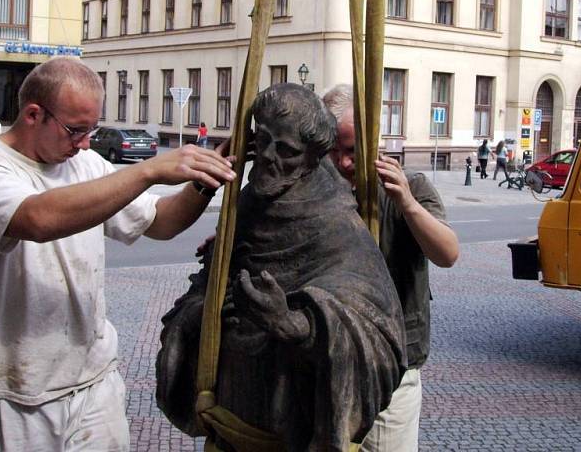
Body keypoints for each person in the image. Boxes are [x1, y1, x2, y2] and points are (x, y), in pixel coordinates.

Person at [0, 57, 236, 451]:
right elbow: (37, 218)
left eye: (91, 130)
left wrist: (209, 177)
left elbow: (162, 222)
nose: (85, 143)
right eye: (75, 130)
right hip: (15, 395)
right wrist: (147, 171)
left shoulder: (86, 165)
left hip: (95, 384)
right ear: (34, 114)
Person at [157, 83, 407, 451]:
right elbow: (208, 283)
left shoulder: (335, 221)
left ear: (311, 158)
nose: (270, 157)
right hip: (230, 411)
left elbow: (376, 329)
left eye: (286, 150)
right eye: (265, 141)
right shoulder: (251, 199)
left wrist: (294, 325)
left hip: (290, 416)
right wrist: (206, 310)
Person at [322, 84, 459, 452]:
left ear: (374, 143)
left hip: (393, 366)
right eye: (330, 151)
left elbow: (447, 253)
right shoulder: (316, 192)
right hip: (328, 364)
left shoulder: (411, 186)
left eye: (350, 151)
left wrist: (409, 205)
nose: (341, 163)